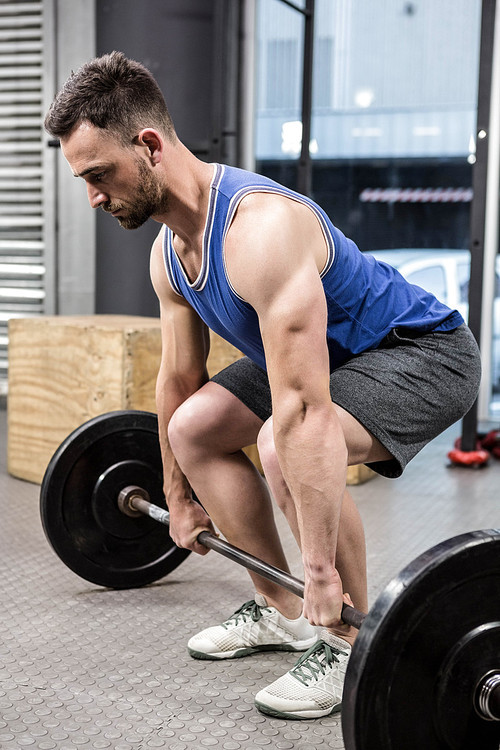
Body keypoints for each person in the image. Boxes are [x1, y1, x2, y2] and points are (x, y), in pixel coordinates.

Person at [44, 51, 481, 720]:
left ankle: (344, 641)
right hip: (333, 358)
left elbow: (304, 412)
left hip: (422, 352)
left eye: (99, 175)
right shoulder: (170, 254)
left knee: (285, 439)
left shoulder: (261, 230)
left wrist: (323, 575)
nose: (94, 197)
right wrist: (175, 495)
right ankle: (284, 614)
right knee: (194, 427)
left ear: (150, 145)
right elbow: (179, 380)